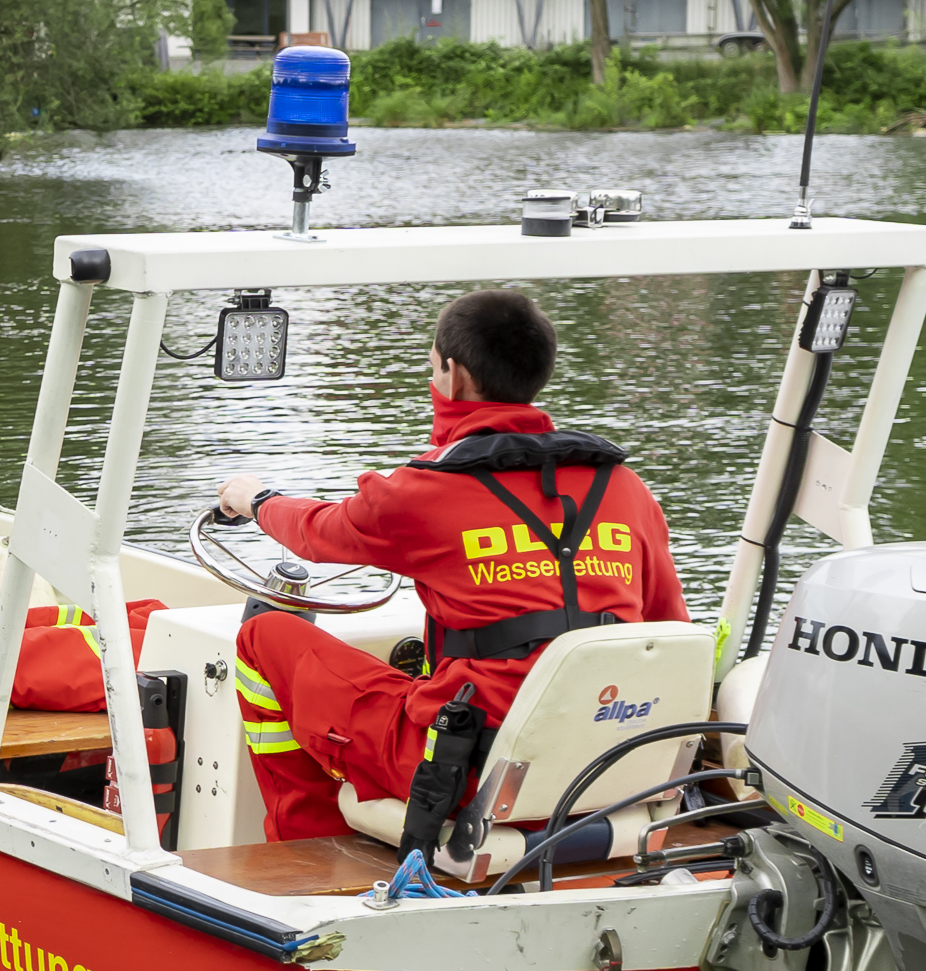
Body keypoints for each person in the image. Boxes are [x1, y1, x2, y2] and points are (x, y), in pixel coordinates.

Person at [219, 288, 687, 841]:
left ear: (451, 373)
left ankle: (305, 846)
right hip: (606, 758)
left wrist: (257, 500)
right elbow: (669, 627)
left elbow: (316, 533)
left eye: (431, 367)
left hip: (465, 769)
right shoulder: (625, 488)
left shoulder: (421, 494)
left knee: (266, 635)